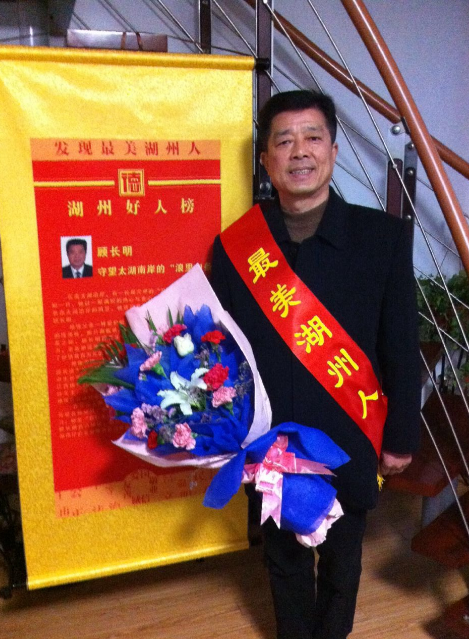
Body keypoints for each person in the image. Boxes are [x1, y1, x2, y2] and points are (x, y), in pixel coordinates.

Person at [211, 90, 420, 639]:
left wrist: (400, 437)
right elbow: (225, 351)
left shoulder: (383, 238)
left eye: (312, 137)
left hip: (350, 432)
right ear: (266, 160)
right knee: (283, 557)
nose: (299, 151)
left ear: (332, 150)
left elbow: (401, 345)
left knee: (343, 558)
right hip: (271, 438)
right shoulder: (237, 248)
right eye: (284, 141)